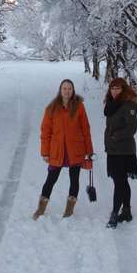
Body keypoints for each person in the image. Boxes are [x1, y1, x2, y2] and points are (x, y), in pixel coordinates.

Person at [32, 79, 94, 220]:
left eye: (69, 88)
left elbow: (86, 129)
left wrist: (89, 151)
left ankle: (69, 210)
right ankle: (40, 209)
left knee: (74, 180)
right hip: (57, 151)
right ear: (60, 90)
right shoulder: (51, 108)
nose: (67, 91)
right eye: (64, 88)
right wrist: (45, 152)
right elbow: (45, 132)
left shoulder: (79, 107)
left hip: (75, 150)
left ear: (73, 90)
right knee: (50, 180)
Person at [104, 77, 137, 228]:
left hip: (124, 150)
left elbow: (132, 128)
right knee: (122, 181)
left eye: (118, 88)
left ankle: (114, 213)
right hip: (112, 150)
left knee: (119, 182)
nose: (115, 90)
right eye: (112, 88)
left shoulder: (128, 105)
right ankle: (126, 211)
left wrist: (115, 136)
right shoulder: (112, 105)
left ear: (124, 89)